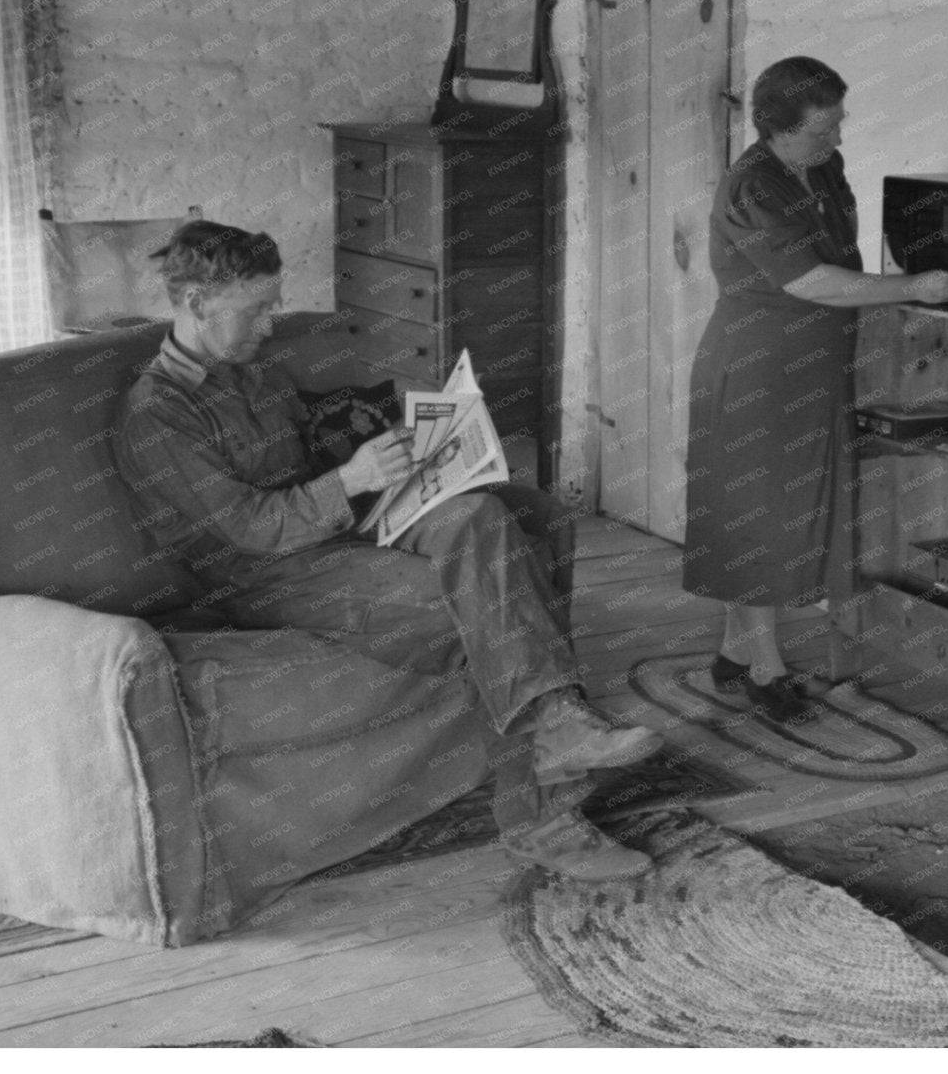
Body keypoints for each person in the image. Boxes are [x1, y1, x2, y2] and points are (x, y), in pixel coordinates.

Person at [113, 220, 662, 881]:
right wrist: (351, 479)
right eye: (255, 308)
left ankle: (557, 720)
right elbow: (254, 527)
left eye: (273, 303)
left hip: (334, 528)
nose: (270, 322)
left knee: (477, 516)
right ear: (196, 304)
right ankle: (541, 814)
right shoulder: (157, 414)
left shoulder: (254, 372)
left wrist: (404, 456)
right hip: (259, 574)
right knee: (477, 606)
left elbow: (312, 460)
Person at [682, 57, 948, 724]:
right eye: (821, 131)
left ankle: (734, 652)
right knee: (756, 519)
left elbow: (844, 258)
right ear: (775, 128)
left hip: (814, 365)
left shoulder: (822, 170)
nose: (835, 140)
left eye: (838, 124)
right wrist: (914, 287)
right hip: (757, 367)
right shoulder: (749, 186)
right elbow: (811, 281)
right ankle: (765, 668)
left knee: (788, 514)